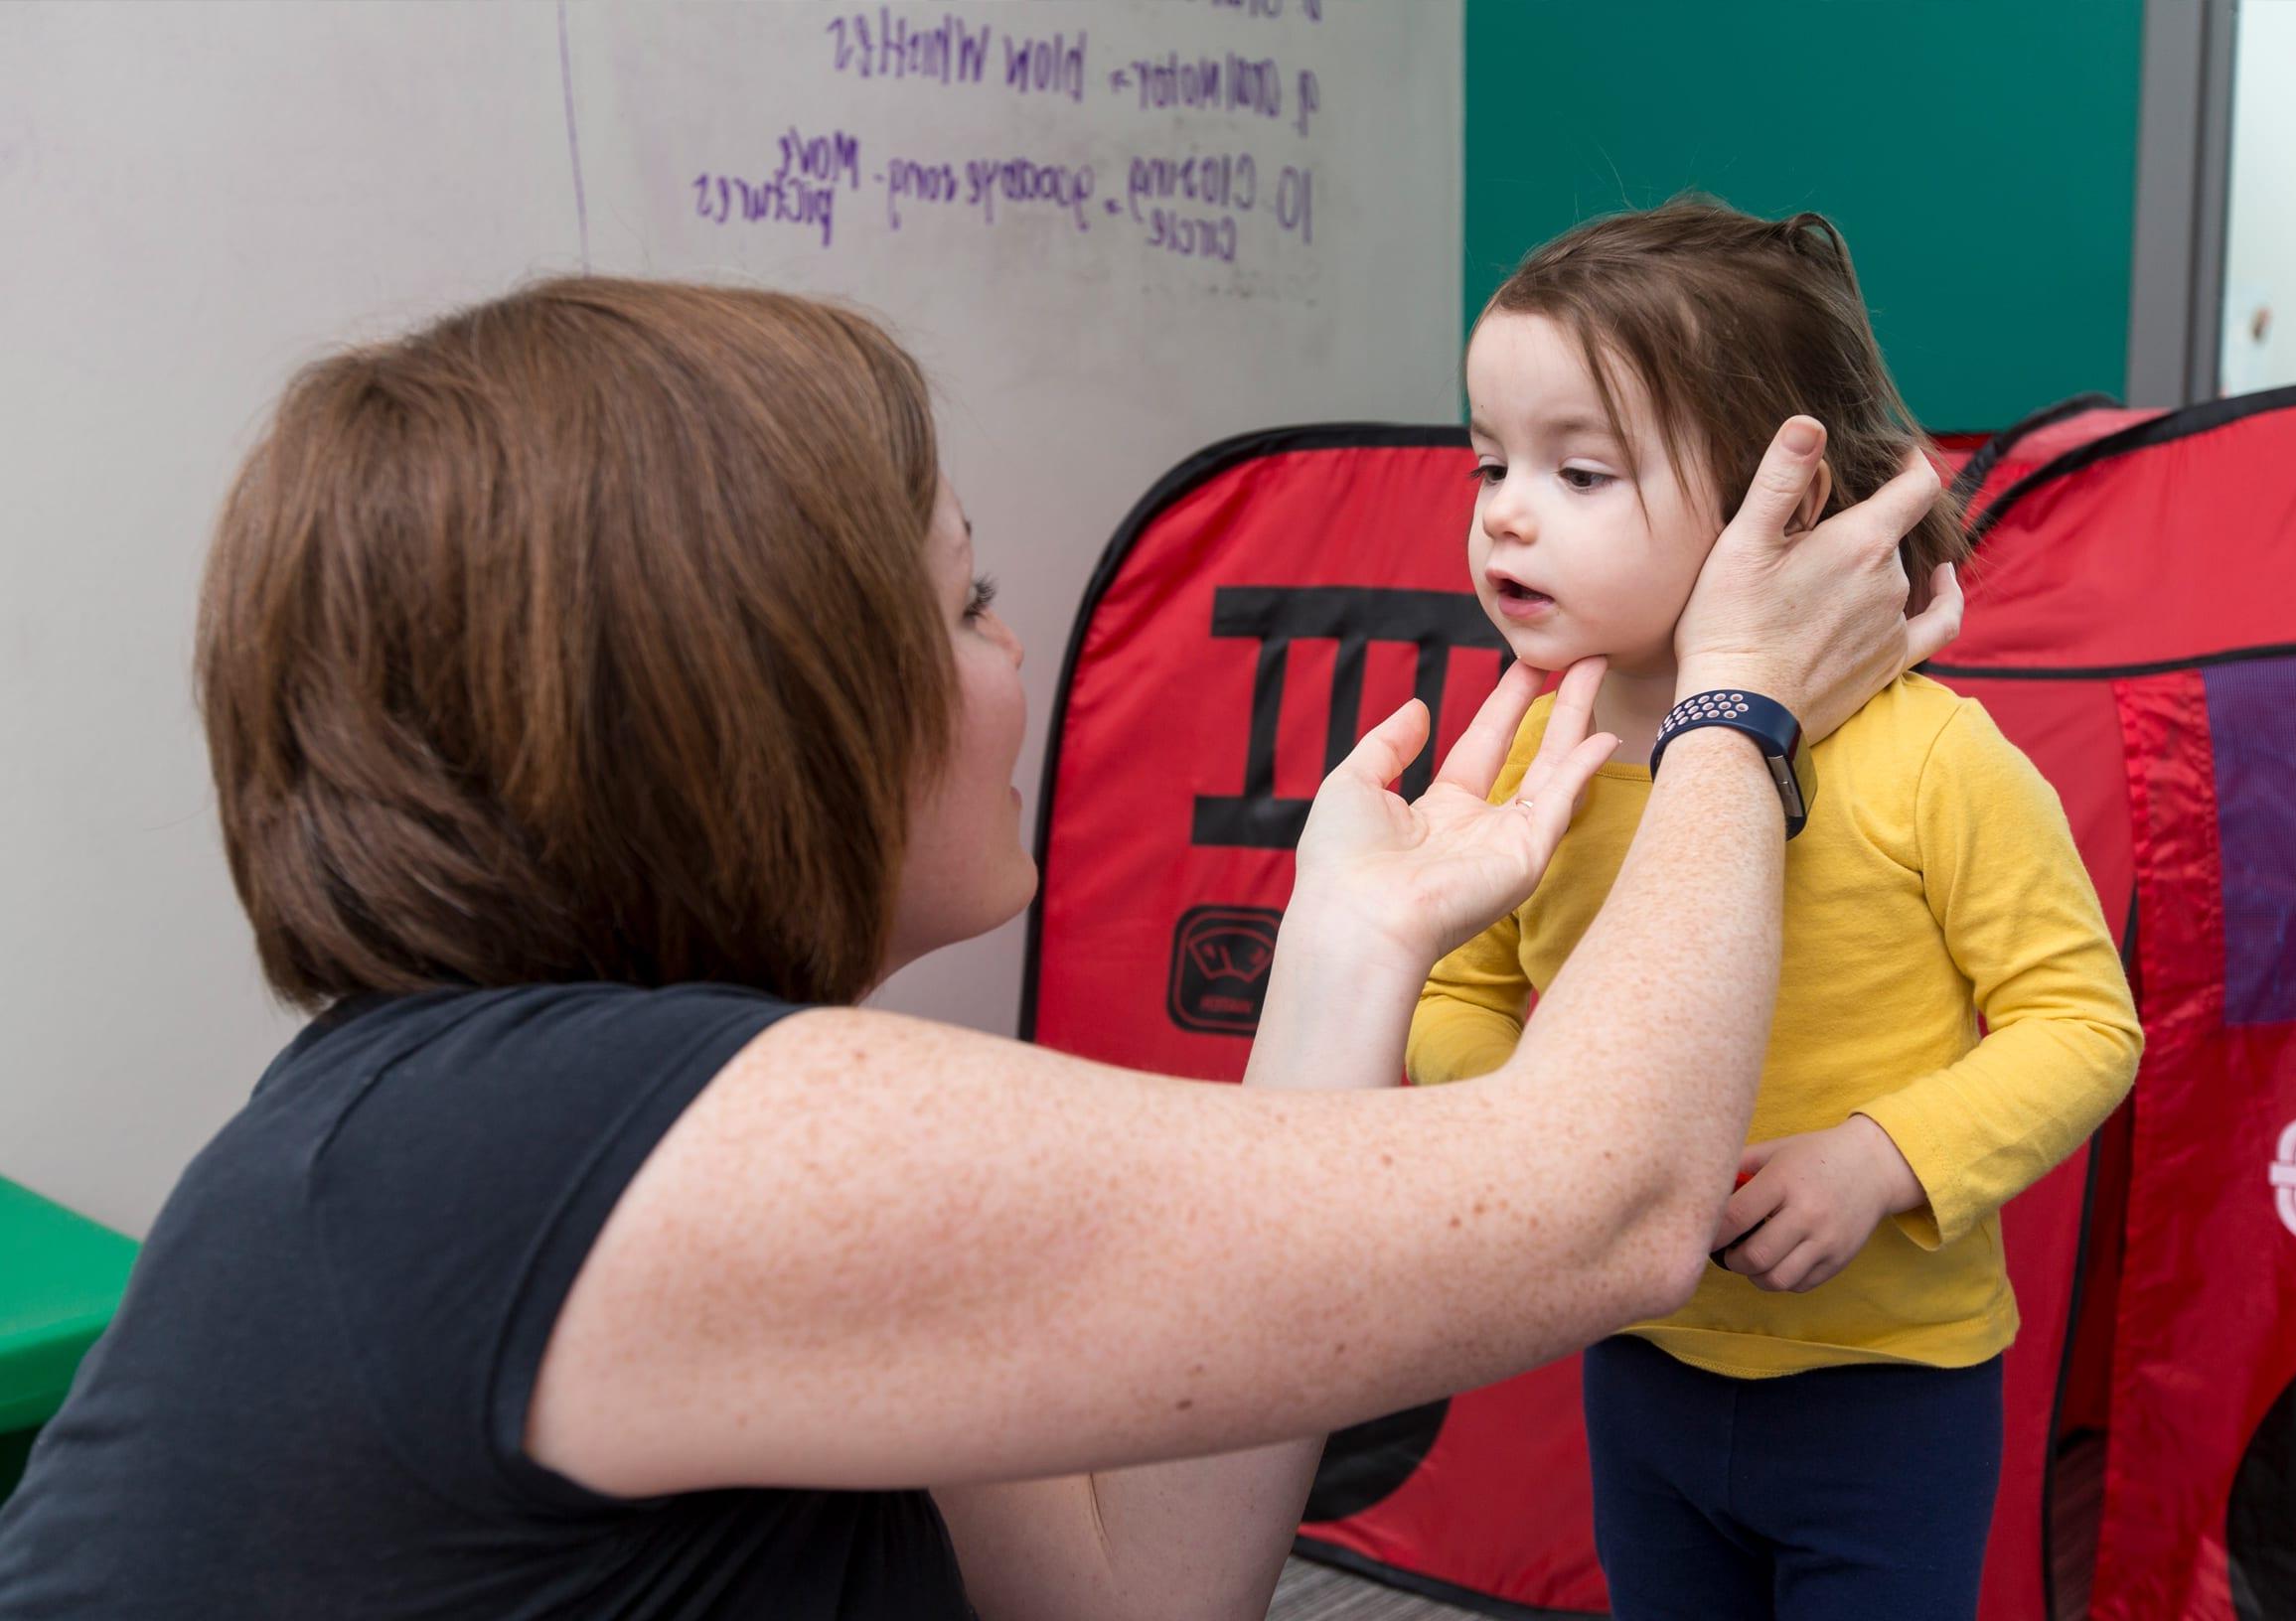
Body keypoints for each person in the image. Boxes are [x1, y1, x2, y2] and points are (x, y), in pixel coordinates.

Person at [0, 276, 1957, 1621]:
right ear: (763, 699)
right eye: (972, 601)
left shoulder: (546, 1123)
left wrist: (1344, 960)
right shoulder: (587, 1142)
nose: (1013, 659)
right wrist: (1735, 722)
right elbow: (1602, 1208)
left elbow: (1131, 1590)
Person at [1408, 199, 2143, 1619]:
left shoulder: (1933, 759)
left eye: (1580, 471)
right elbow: (1457, 993)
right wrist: (1547, 1129)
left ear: (1783, 512)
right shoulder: (1523, 753)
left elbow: (2081, 1023)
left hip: (1890, 1388)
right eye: (1491, 460)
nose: (1504, 509)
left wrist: (1880, 1159)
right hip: (1643, 1356)